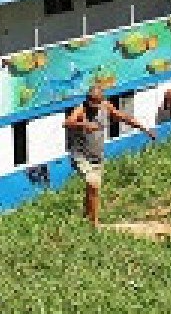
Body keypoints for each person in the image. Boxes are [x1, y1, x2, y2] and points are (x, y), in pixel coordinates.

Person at [63, 80, 156, 225]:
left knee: (92, 188)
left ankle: (86, 216)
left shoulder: (106, 106)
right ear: (87, 101)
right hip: (80, 155)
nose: (94, 108)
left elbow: (124, 117)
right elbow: (67, 123)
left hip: (97, 156)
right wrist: (84, 124)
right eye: (92, 104)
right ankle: (94, 224)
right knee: (93, 184)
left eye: (97, 105)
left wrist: (144, 129)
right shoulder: (81, 109)